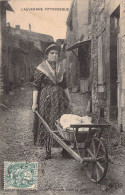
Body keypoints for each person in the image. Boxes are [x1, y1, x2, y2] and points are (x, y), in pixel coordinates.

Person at [32, 43, 72, 159]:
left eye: (56, 54)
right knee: (48, 122)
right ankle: (48, 150)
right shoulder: (41, 69)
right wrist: (34, 103)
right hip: (47, 99)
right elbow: (36, 87)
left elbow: (64, 86)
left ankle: (65, 149)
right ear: (47, 55)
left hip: (60, 99)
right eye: (52, 53)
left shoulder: (60, 69)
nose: (55, 55)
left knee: (63, 122)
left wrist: (69, 100)